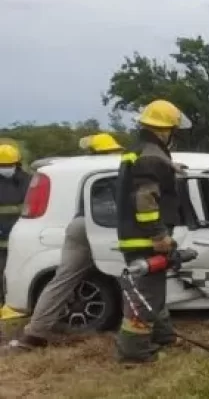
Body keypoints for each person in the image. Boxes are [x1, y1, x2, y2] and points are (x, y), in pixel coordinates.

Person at [3, 133, 123, 354]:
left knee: (63, 280)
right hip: (103, 228)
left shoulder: (85, 171)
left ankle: (34, 334)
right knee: (137, 276)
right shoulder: (112, 171)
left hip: (75, 228)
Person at [115, 99, 192, 364]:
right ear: (164, 130)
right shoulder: (151, 156)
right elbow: (145, 199)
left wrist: (171, 168)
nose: (174, 135)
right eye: (173, 129)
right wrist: (158, 235)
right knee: (146, 295)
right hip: (144, 238)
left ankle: (163, 337)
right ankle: (134, 352)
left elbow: (143, 182)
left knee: (155, 292)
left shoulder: (141, 150)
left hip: (136, 234)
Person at [0, 142, 31, 306]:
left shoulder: (27, 181)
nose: (6, 168)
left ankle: (16, 303)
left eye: (9, 165)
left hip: (22, 237)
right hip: (1, 239)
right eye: (2, 165)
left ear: (17, 164)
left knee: (20, 273)